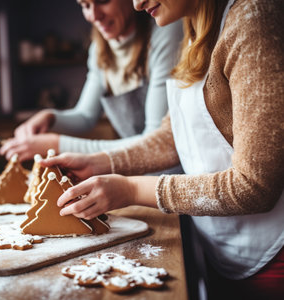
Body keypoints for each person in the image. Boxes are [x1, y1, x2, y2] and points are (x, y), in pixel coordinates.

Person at [41, 0, 284, 299]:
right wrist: (98, 163)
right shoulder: (193, 27)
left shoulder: (253, 21)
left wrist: (130, 190)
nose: (137, 3)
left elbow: (254, 186)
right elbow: (172, 136)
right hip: (222, 248)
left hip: (273, 256)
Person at [0, 0, 183, 162]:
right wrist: (50, 117)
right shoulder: (99, 50)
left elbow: (154, 141)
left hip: (174, 175)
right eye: (85, 5)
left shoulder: (164, 32)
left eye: (103, 1)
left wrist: (58, 145)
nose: (94, 15)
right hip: (138, 170)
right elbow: (85, 116)